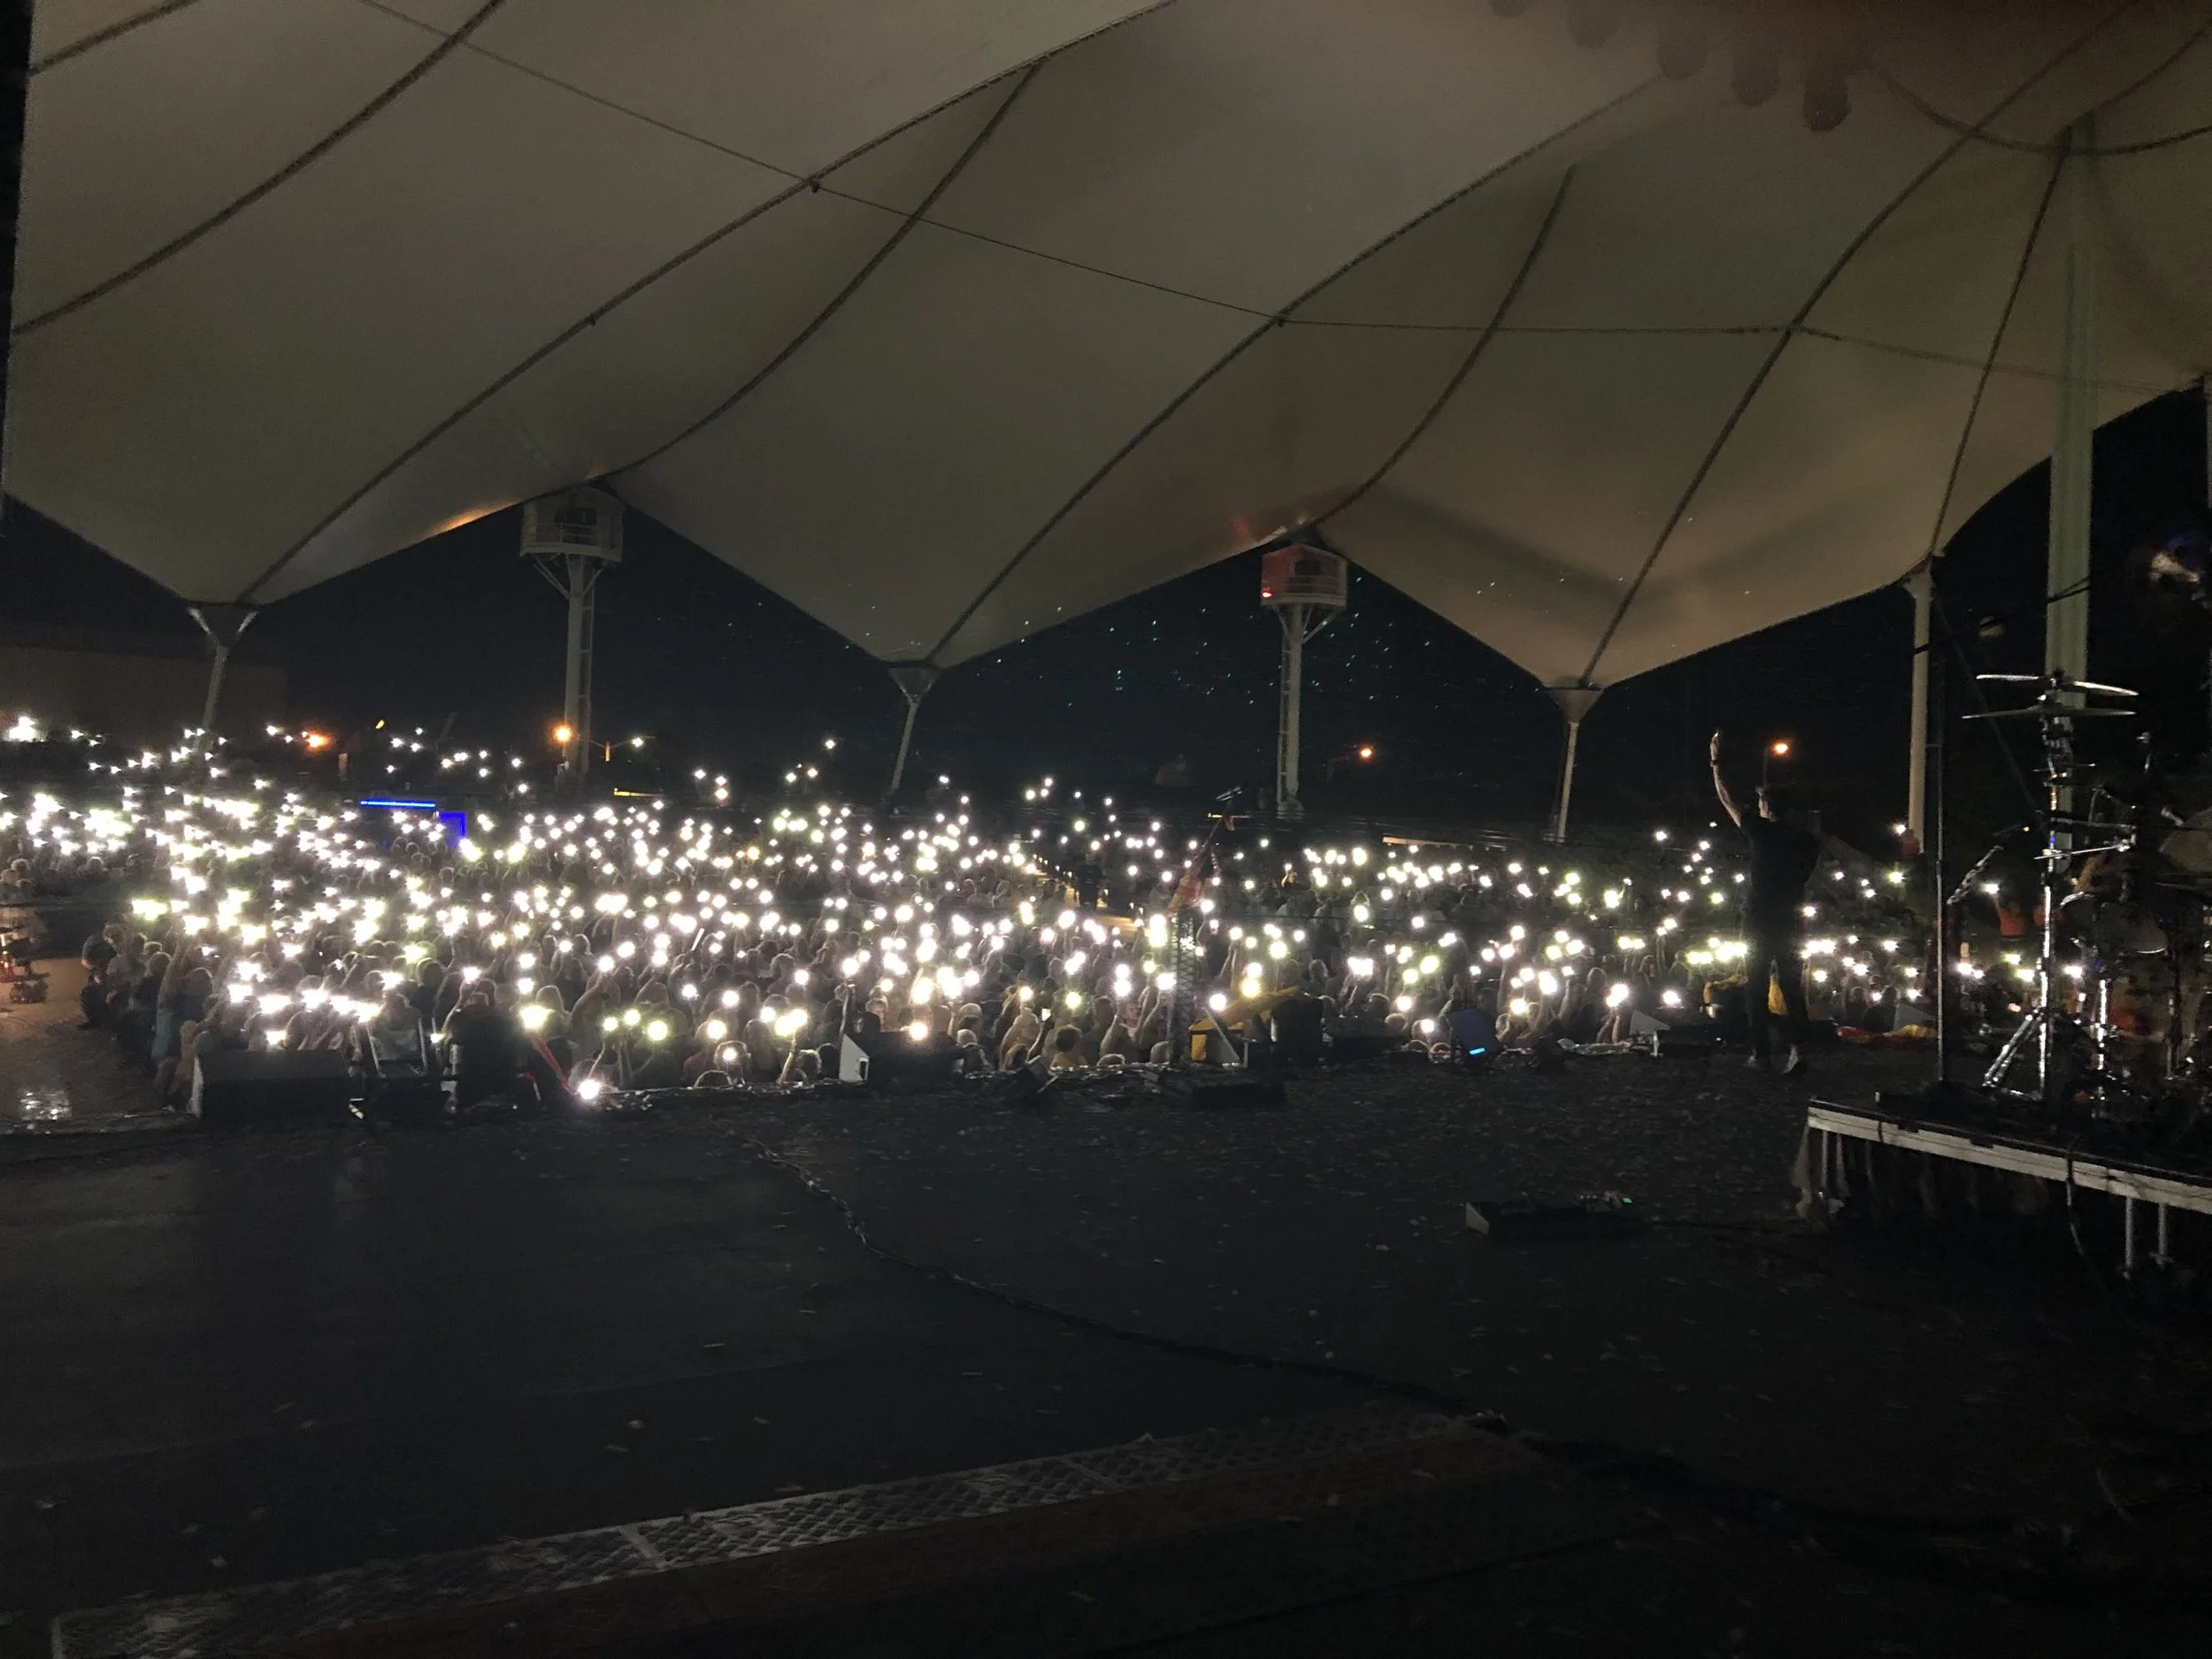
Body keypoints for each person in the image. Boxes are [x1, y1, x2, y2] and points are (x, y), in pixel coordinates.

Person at [1710, 730, 1820, 1074]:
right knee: (1791, 985)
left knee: (1756, 985)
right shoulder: (1806, 840)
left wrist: (1716, 762)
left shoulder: (1760, 832)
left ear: (1766, 806)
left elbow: (1727, 799)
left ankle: (1761, 1055)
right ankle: (1798, 1050)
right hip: (1790, 917)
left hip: (1758, 917)